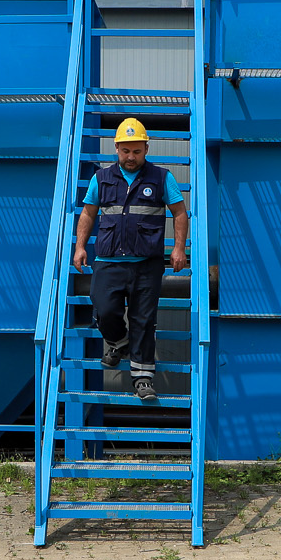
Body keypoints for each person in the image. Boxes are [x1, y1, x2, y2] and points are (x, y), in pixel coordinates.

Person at [70, 118, 188, 404]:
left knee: (144, 321)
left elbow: (180, 213)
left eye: (136, 151)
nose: (130, 157)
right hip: (109, 261)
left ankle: (143, 379)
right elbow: (88, 213)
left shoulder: (162, 178)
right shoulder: (101, 178)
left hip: (147, 264)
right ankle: (119, 341)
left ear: (146, 148)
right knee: (104, 309)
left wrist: (179, 248)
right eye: (125, 151)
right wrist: (80, 247)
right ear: (116, 148)